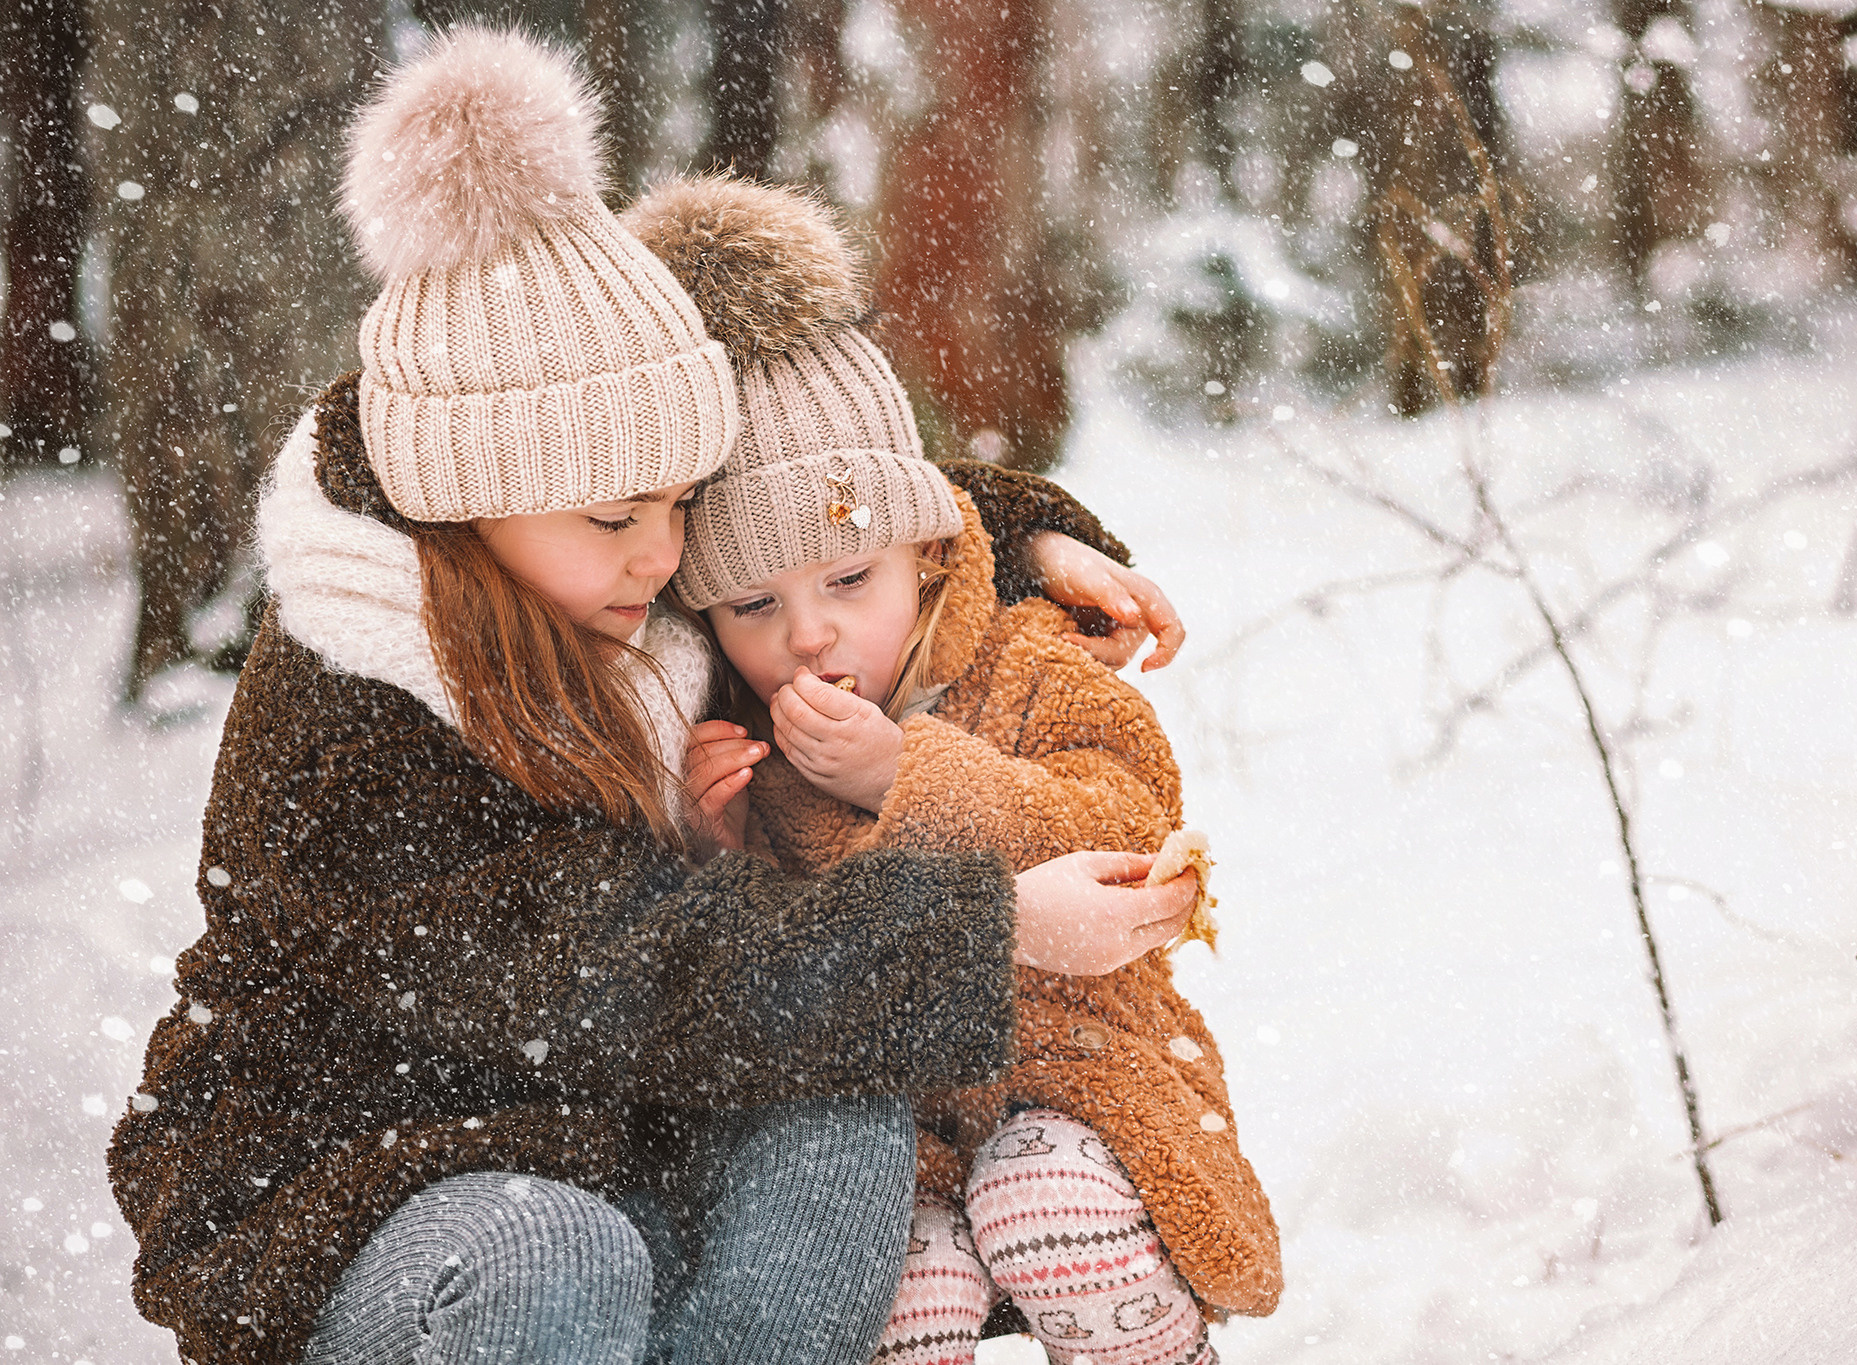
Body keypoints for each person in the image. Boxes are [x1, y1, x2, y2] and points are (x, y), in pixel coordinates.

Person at [104, 28, 1195, 1365]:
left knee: (842, 1117)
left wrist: (1016, 537)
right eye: (623, 516)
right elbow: (611, 972)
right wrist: (995, 927)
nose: (667, 556)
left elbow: (820, 506)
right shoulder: (354, 710)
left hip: (603, 1131)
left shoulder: (577, 564)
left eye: (680, 504)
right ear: (464, 494)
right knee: (555, 1254)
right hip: (362, 1188)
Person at [632, 176, 1283, 1365]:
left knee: (1048, 1209)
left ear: (929, 556)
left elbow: (1129, 822)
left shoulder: (1024, 661)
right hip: (902, 1126)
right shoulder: (742, 747)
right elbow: (753, 977)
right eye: (752, 605)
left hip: (1080, 1080)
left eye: (848, 581)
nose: (809, 634)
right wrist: (715, 841)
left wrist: (907, 778)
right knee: (900, 1287)